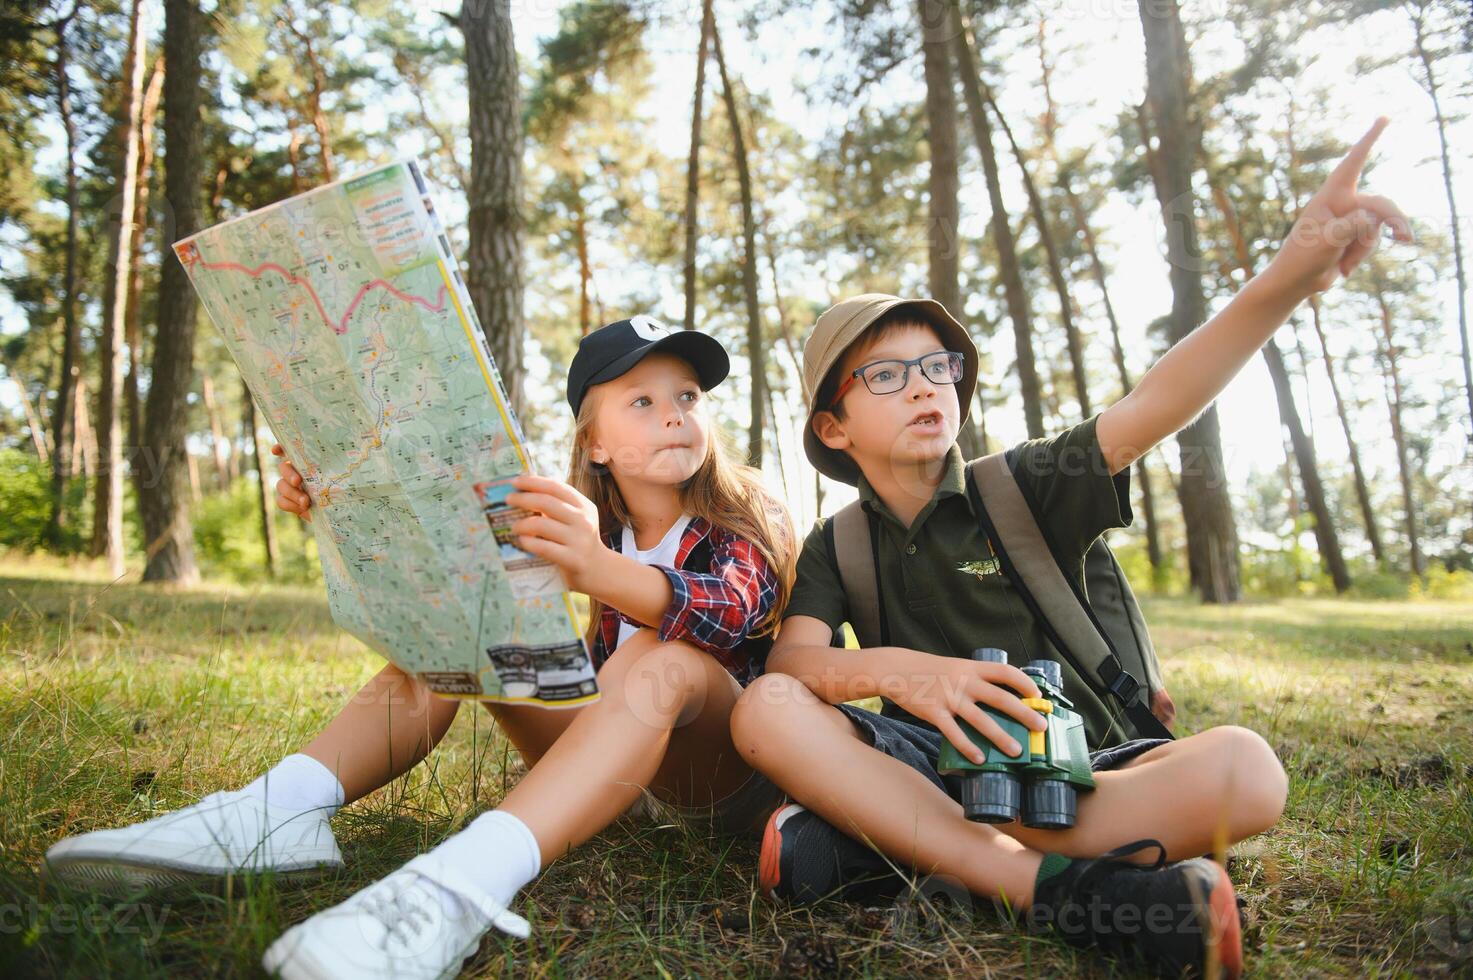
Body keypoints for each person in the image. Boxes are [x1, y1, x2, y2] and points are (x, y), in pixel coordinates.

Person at [729, 118, 1412, 978]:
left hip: (1089, 766)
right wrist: (915, 676)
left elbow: (1156, 401)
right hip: (934, 768)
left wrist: (1284, 278)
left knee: (1247, 770)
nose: (926, 386)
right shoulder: (840, 542)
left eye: (937, 366)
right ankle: (1067, 893)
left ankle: (881, 852)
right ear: (833, 425)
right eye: (886, 375)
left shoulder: (1024, 481)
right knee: (764, 711)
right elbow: (794, 668)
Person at [46, 316, 794, 980]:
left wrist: (598, 567)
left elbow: (729, 615)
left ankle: (457, 890)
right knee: (465, 626)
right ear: (594, 442)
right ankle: (276, 811)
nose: (675, 416)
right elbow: (427, 554)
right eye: (643, 400)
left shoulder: (742, 506)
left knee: (654, 661)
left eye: (688, 396)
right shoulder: (568, 512)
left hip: (720, 781)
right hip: (617, 777)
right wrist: (330, 489)